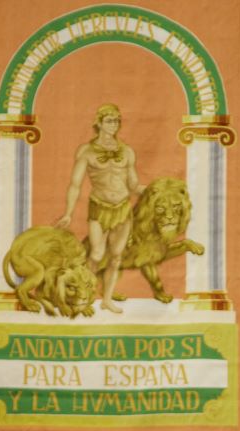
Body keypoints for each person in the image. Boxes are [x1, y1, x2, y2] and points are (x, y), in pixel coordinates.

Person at [56, 104, 144, 313]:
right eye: (109, 121)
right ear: (99, 123)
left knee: (116, 256)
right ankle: (84, 295)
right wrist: (68, 213)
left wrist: (154, 189)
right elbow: (75, 184)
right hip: (99, 207)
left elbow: (133, 185)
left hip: (122, 208)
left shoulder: (127, 151)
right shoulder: (86, 151)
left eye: (116, 121)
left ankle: (106, 299)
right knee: (96, 254)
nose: (113, 125)